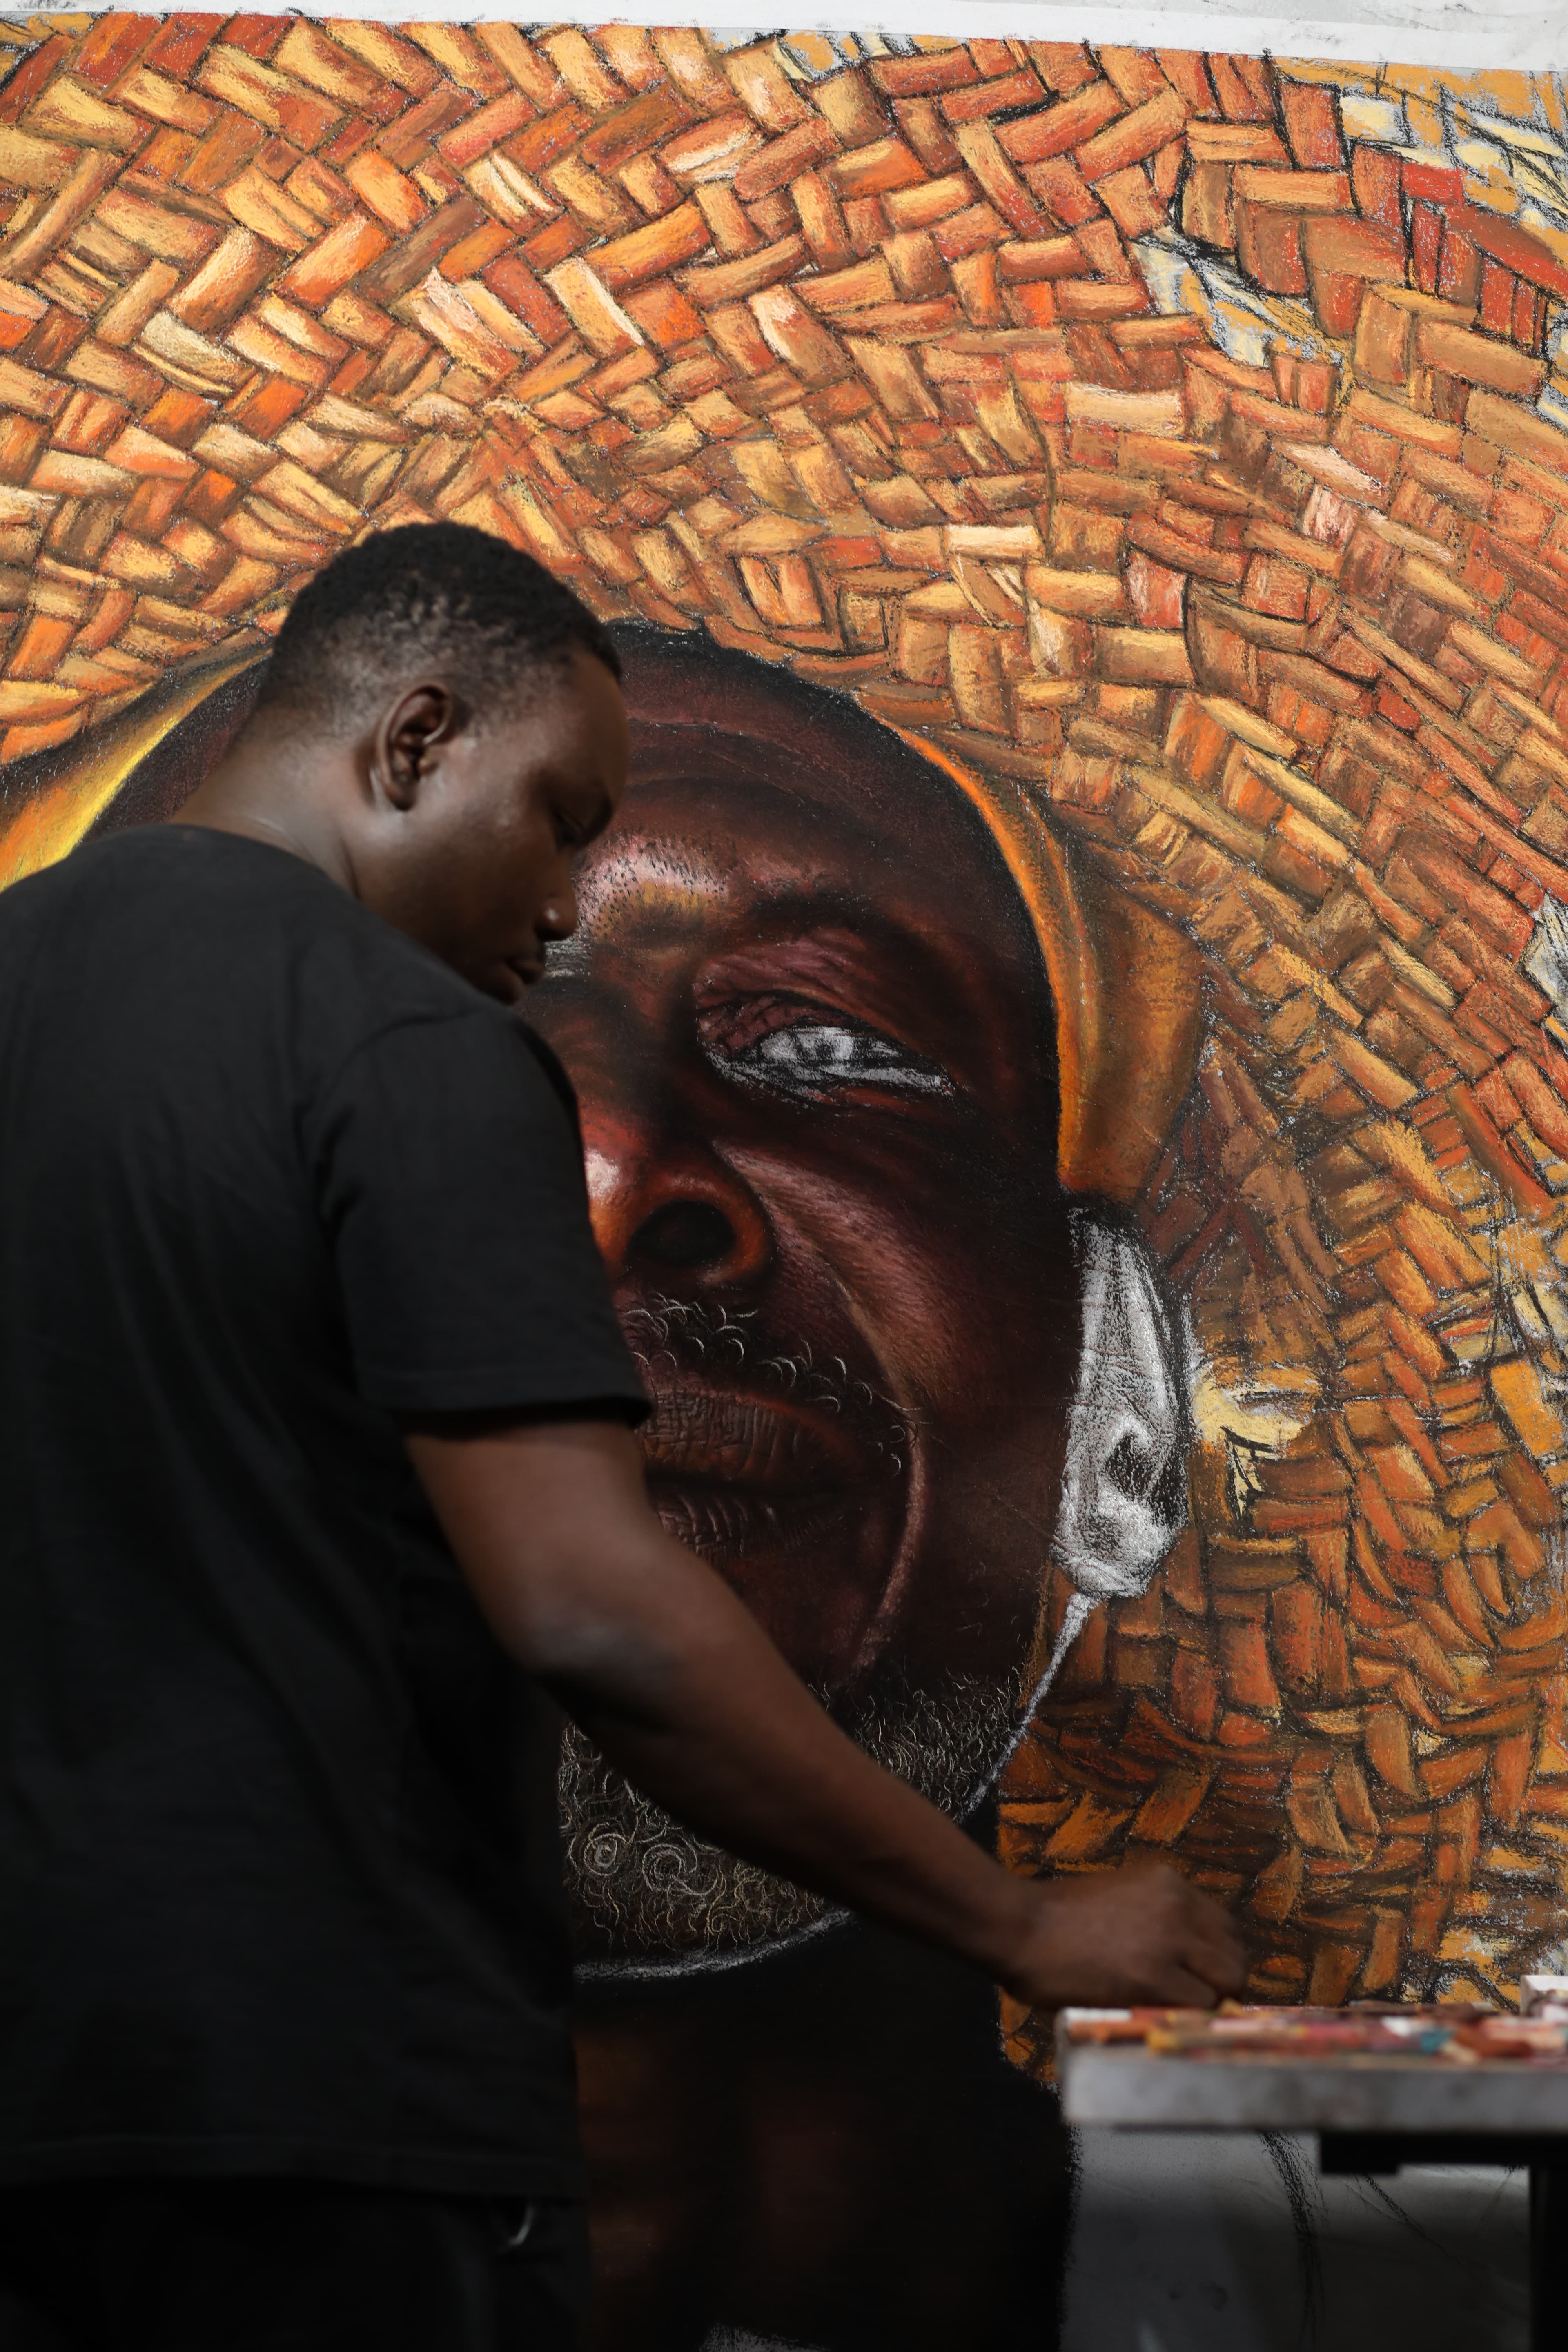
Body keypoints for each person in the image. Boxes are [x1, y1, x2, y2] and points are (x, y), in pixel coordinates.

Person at [0, 522, 1244, 2352]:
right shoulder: (402, 1042)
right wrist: (1024, 1929)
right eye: (563, 820)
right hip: (326, 2127)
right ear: (413, 743)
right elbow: (592, 1610)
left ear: (1119, 1388)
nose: (562, 904)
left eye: (820, 1047)